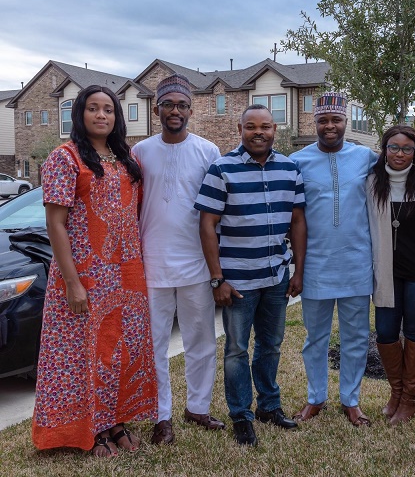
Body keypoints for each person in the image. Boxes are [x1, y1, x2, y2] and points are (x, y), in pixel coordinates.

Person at [32, 85, 157, 457]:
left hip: (127, 271)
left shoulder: (126, 157)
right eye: (93, 109)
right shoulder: (64, 157)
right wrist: (72, 282)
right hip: (85, 273)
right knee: (84, 352)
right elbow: (55, 225)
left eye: (108, 110)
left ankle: (115, 420)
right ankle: (92, 429)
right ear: (79, 114)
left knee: (119, 349)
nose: (101, 115)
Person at [195, 104, 306, 447]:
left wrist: (298, 270)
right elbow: (207, 225)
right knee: (237, 349)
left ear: (275, 129)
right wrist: (217, 279)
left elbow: (298, 221)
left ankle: (269, 406)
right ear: (239, 129)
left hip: (275, 276)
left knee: (271, 346)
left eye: (266, 127)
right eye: (251, 127)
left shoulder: (290, 167)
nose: (259, 132)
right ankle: (241, 414)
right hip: (237, 282)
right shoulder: (221, 168)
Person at [131, 73, 224, 445]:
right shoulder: (139, 152)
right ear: (157, 109)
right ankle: (161, 415)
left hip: (196, 263)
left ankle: (198, 407)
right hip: (150, 263)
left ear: (191, 109)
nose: (175, 111)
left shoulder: (208, 151)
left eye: (182, 105)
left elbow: (217, 211)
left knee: (200, 340)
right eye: (168, 104)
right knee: (153, 344)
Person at [290, 92, 378, 427]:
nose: (330, 126)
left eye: (336, 120)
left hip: (357, 261)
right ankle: (316, 398)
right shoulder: (298, 160)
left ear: (346, 122)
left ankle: (351, 400)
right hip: (315, 264)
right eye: (323, 120)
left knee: (356, 336)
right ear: (315, 123)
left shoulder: (366, 157)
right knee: (316, 337)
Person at [367, 125, 415, 425]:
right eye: (394, 147)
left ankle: (410, 397)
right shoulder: (372, 183)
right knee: (387, 333)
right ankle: (396, 392)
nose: (400, 154)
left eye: (407, 149)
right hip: (386, 272)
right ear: (384, 149)